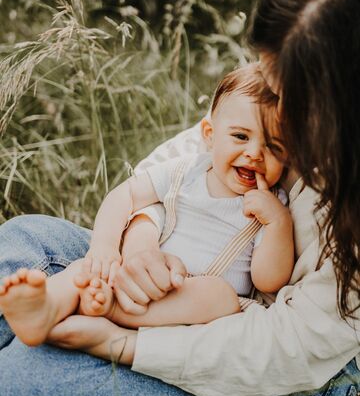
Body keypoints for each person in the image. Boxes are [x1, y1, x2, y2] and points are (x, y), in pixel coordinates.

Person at [0, 0, 359, 396]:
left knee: (16, 383)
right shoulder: (273, 94)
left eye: (287, 100)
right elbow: (180, 164)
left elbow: (289, 342)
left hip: (280, 381)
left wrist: (123, 343)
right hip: (169, 280)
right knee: (24, 240)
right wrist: (141, 238)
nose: (268, 122)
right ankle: (44, 316)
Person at [0, 65, 293, 342]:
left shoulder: (271, 205)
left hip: (198, 306)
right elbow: (125, 195)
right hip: (143, 276)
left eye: (274, 146)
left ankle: (112, 310)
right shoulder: (187, 171)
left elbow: (267, 281)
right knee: (85, 268)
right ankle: (44, 308)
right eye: (241, 136)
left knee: (220, 295)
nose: (255, 153)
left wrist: (278, 223)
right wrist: (104, 246)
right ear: (210, 135)